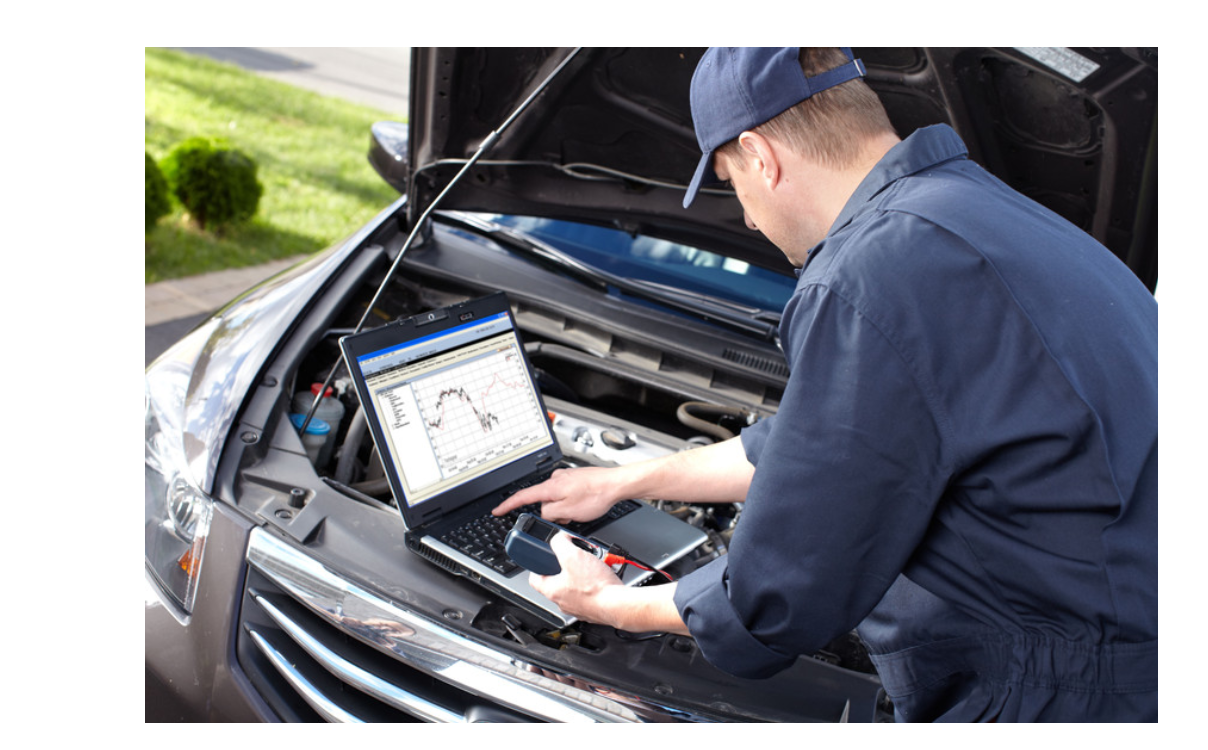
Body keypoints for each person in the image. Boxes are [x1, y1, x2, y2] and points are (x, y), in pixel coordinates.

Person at [493, 47, 1158, 722]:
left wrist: (610, 603)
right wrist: (624, 481)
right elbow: (819, 448)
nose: (748, 219)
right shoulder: (972, 213)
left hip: (1060, 692)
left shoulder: (873, 273)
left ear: (760, 156)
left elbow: (781, 593)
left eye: (730, 182)